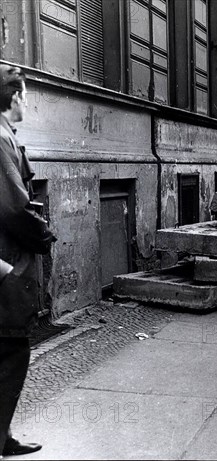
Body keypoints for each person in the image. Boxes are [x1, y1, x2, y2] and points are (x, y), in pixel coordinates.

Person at [0, 64, 56, 457]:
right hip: (6, 262)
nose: (26, 102)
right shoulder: (1, 138)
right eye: (24, 95)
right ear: (14, 97)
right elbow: (14, 207)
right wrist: (44, 234)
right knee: (11, 352)